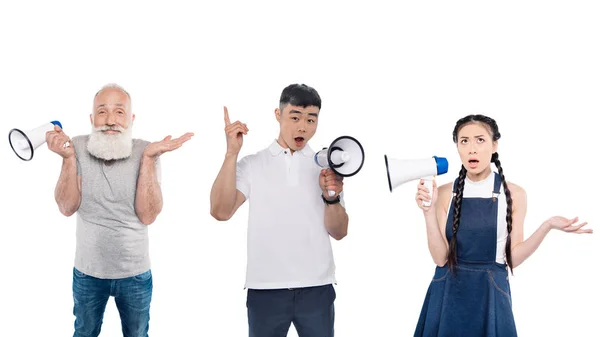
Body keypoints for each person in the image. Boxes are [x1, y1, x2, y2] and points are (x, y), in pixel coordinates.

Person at [413, 114, 592, 337]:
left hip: (491, 292)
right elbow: (440, 258)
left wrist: (547, 226)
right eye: (464, 141)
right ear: (457, 147)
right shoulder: (444, 192)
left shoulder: (514, 194)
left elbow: (513, 259)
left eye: (480, 140)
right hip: (447, 293)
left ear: (494, 145)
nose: (472, 149)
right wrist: (428, 213)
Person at [46, 83, 193, 337]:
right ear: (92, 119)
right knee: (84, 333)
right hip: (87, 272)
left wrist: (148, 159)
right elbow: (66, 207)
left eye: (119, 112)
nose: (110, 121)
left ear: (131, 119)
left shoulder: (147, 150)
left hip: (135, 274)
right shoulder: (76, 147)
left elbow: (148, 215)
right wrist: (68, 159)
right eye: (102, 112)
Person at [210, 83, 348, 337]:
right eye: (295, 117)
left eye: (311, 119)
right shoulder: (252, 165)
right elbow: (220, 211)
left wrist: (332, 197)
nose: (303, 127)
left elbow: (339, 232)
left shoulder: (326, 168)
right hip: (265, 289)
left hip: (317, 288)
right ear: (278, 115)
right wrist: (231, 153)